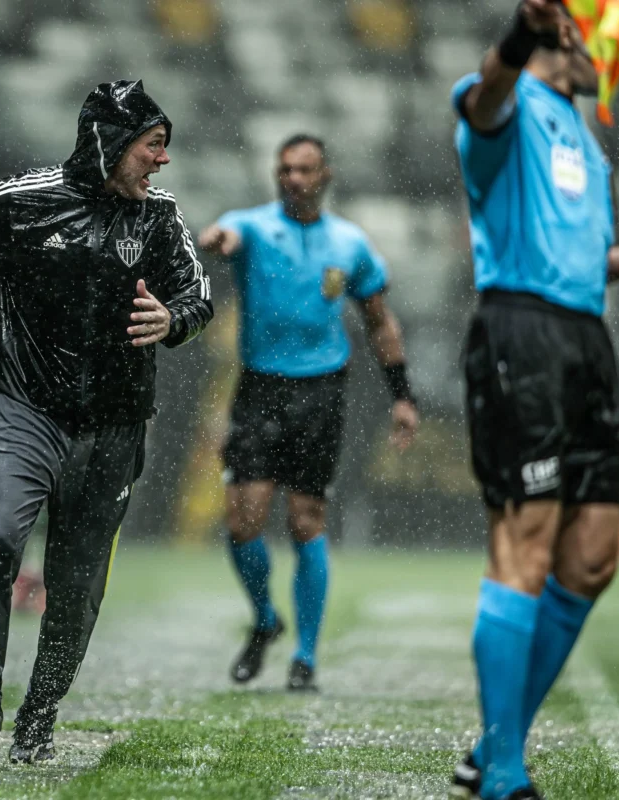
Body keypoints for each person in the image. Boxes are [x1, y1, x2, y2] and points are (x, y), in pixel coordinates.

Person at [0, 79, 212, 763]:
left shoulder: (159, 216)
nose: (163, 162)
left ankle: (38, 715)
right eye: (153, 147)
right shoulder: (15, 203)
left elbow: (196, 292)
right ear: (110, 144)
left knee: (76, 585)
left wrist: (175, 319)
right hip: (24, 411)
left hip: (117, 429)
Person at [449, 3, 619, 798]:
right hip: (520, 335)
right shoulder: (502, 105)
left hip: (586, 339)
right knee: (527, 541)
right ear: (571, 35)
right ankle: (503, 776)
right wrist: (520, 35)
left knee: (591, 560)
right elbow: (484, 101)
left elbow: (570, 255)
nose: (614, 62)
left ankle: (490, 744)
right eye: (609, 43)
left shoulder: (584, 133)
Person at [199, 134, 419, 691]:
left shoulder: (349, 244)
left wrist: (401, 395)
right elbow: (223, 234)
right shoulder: (251, 226)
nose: (292, 178)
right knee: (242, 520)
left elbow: (379, 323)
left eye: (303, 170)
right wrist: (214, 240)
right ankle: (266, 619)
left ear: (325, 175)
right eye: (284, 169)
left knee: (305, 521)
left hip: (320, 394)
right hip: (258, 389)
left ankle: (306, 657)